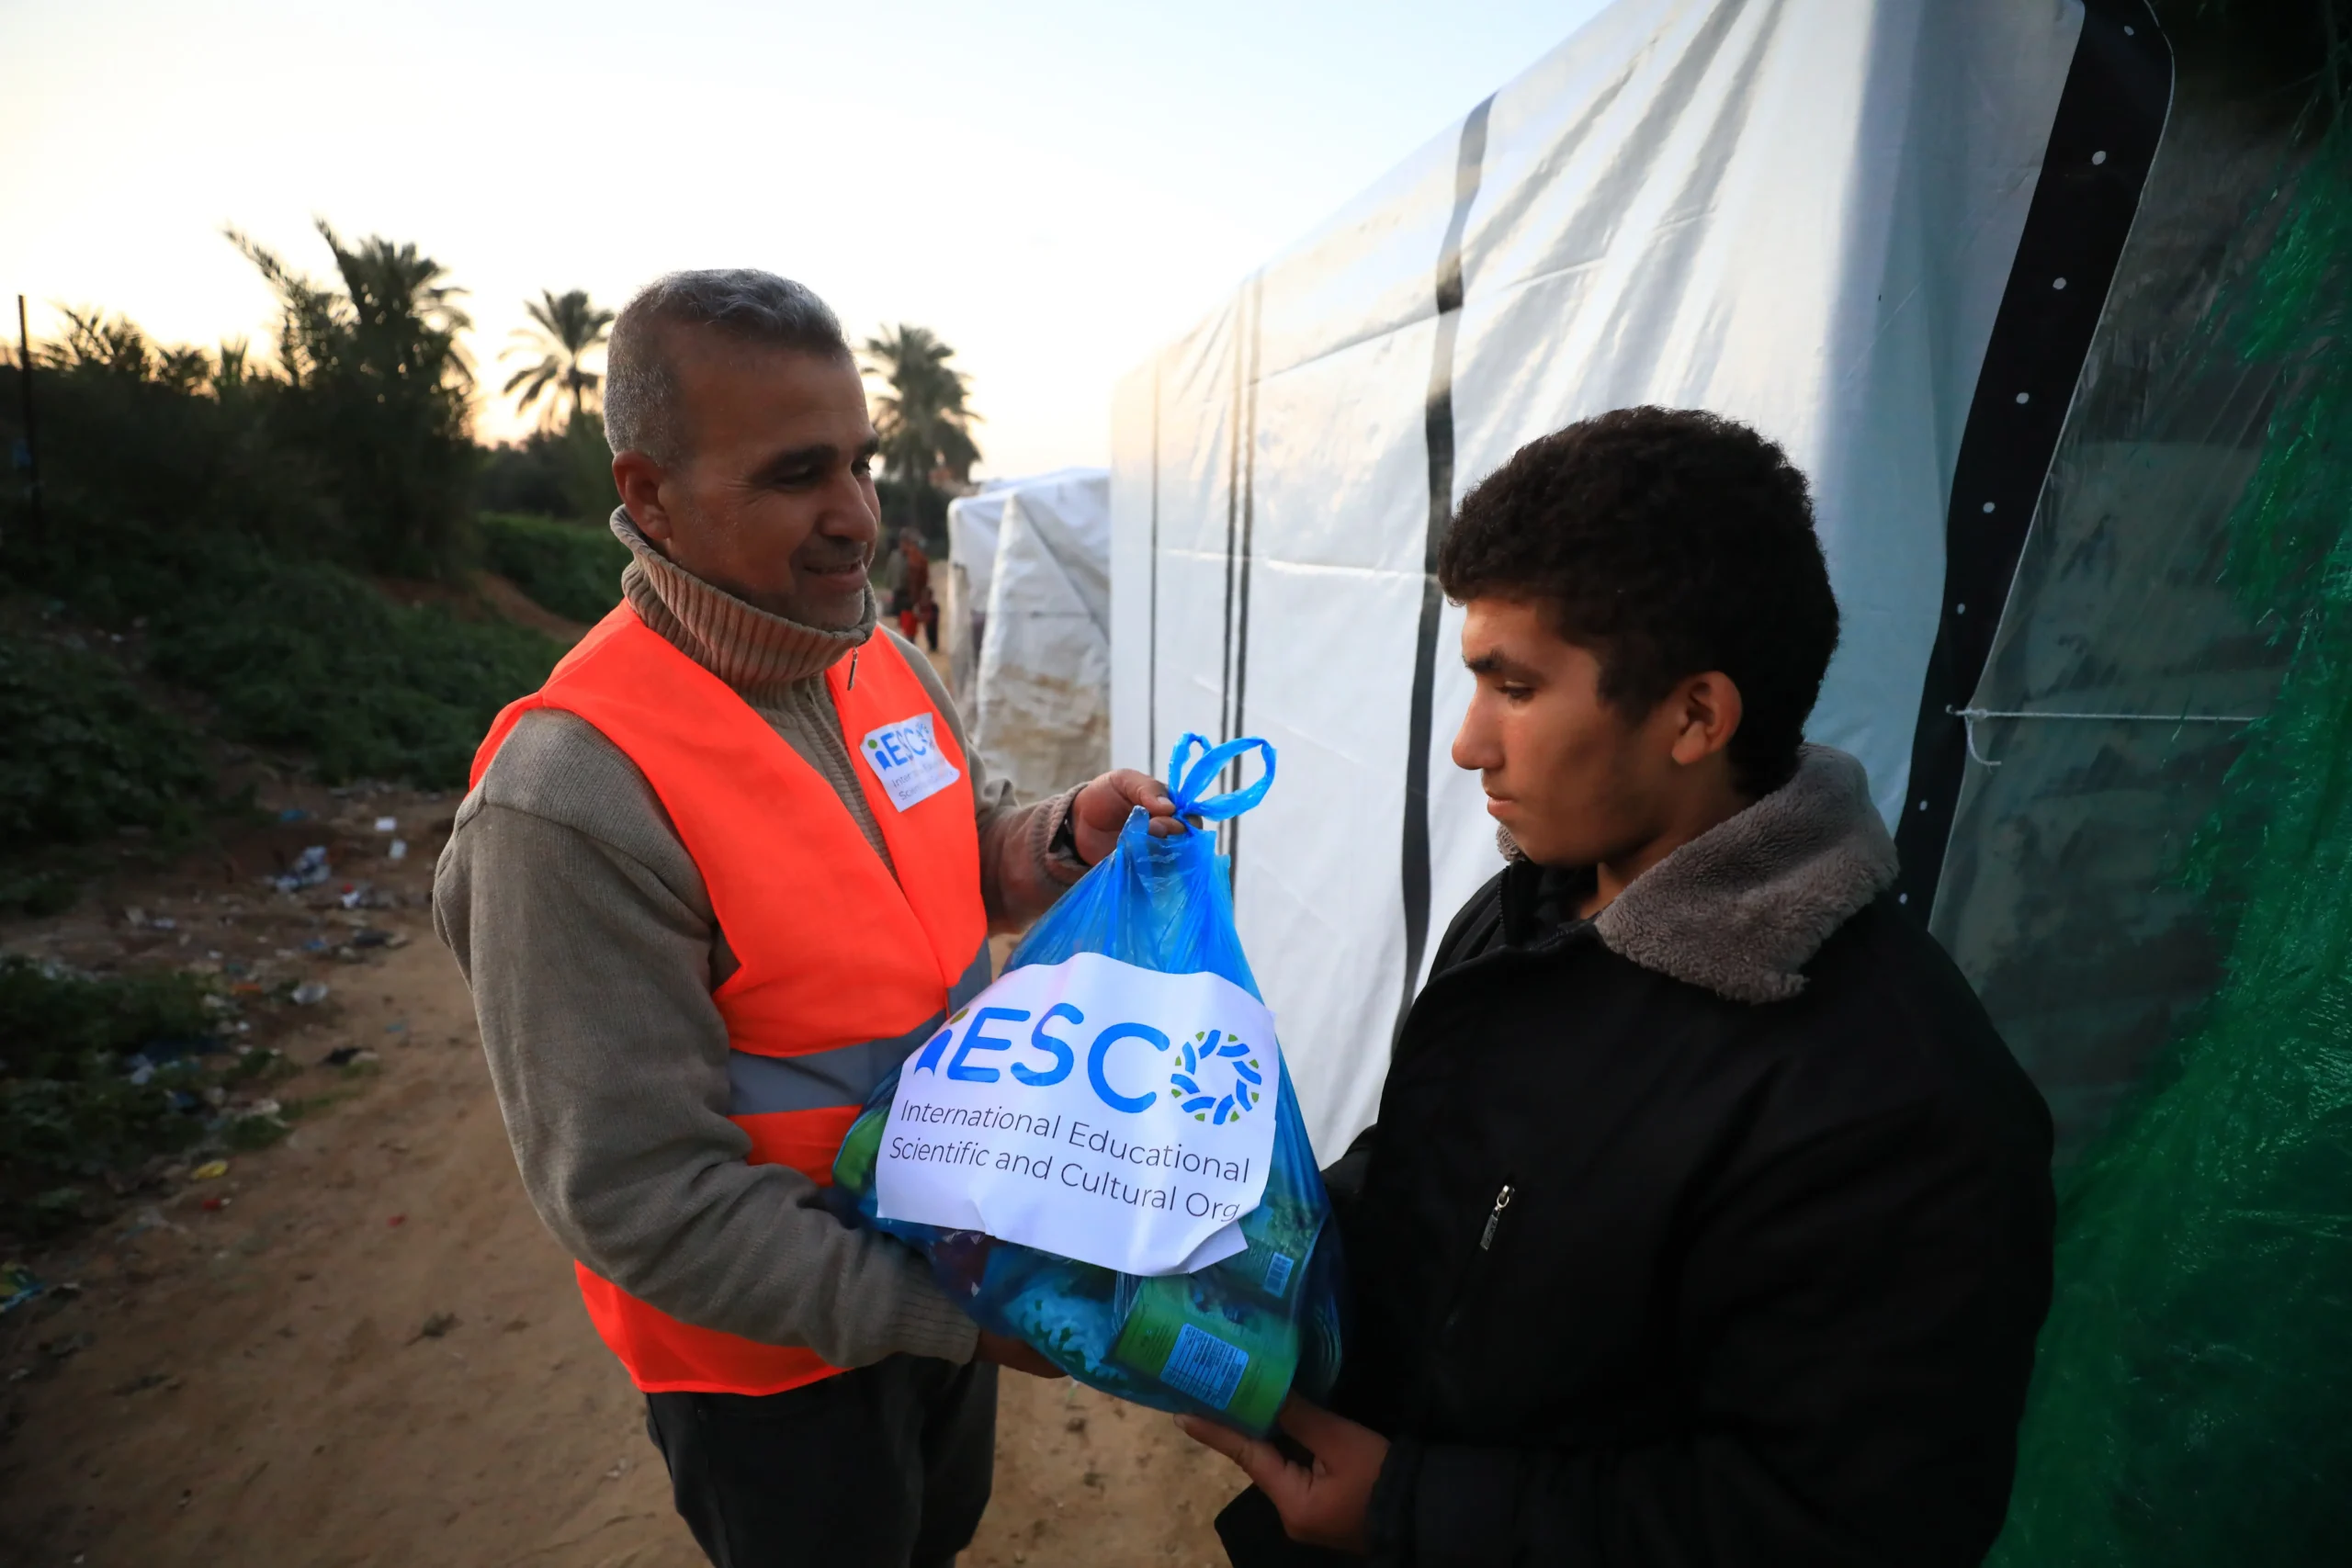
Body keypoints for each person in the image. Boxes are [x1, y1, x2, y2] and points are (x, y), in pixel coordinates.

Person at [1184, 408, 2055, 1566]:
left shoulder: (1898, 1105)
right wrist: (1231, 1234)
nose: (1467, 744)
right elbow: (1437, 1176)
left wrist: (1405, 1512)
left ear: (1695, 715)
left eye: (1516, 688)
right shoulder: (1528, 908)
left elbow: (1838, 1529)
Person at [433, 269, 1178, 1568]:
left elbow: (960, 846)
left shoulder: (873, 655)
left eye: (860, 462)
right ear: (648, 492)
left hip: (950, 1251)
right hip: (773, 1368)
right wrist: (954, 1314)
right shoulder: (570, 794)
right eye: (795, 475)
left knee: (935, 1535)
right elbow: (638, 1192)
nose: (857, 517)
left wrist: (1061, 838)